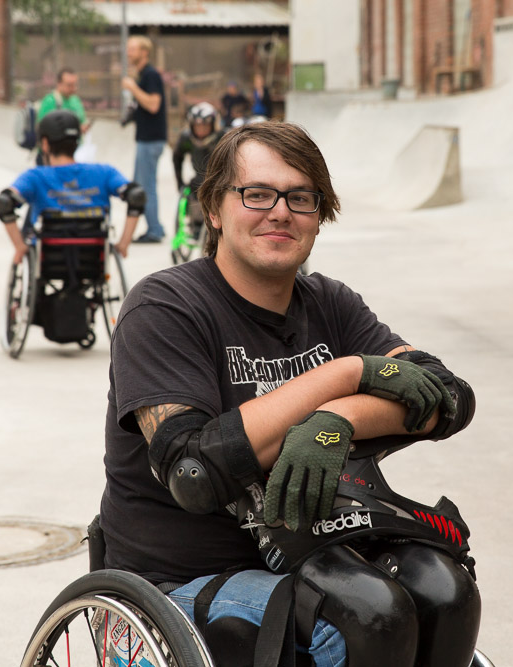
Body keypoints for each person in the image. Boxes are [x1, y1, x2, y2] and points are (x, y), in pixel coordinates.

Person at [100, 122, 479, 667]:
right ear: (213, 209)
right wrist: (347, 373)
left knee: (447, 592)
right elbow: (193, 472)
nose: (280, 211)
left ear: (319, 217)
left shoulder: (330, 303)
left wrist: (335, 420)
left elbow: (447, 397)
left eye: (301, 198)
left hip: (311, 547)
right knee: (371, 616)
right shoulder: (164, 308)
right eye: (256, 193)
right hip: (182, 579)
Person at [0, 110, 144, 262]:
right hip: (93, 257)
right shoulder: (104, 172)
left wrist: (20, 247)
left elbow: (5, 202)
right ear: (78, 140)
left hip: (48, 258)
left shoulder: (35, 177)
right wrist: (123, 244)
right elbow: (136, 196)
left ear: (45, 144)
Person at [121, 35, 167, 243]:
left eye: (133, 49)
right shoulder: (143, 75)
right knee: (144, 184)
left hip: (150, 140)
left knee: (145, 186)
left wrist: (132, 88)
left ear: (144, 52)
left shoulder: (150, 75)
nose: (129, 53)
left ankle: (154, 230)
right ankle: (155, 226)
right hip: (147, 139)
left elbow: (154, 104)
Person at [35, 68, 90, 166]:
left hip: (73, 154)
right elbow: (42, 128)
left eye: (75, 84)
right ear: (59, 84)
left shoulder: (75, 100)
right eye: (69, 85)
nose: (73, 88)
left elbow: (82, 120)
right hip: (53, 157)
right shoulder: (50, 101)